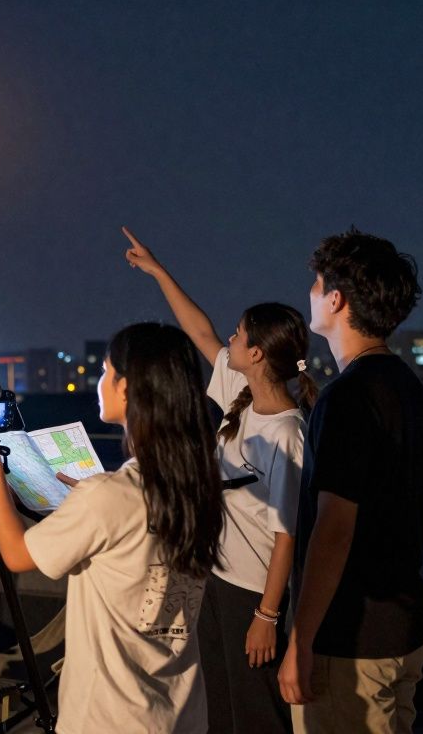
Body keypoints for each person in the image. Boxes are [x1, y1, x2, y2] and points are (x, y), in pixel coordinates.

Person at [0, 323, 224, 733]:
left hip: (108, 715)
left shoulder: (108, 496)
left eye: (105, 371)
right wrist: (89, 498)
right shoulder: (194, 486)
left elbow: (17, 555)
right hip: (178, 712)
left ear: (127, 388)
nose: (99, 382)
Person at [124, 227, 315, 733]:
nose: (229, 339)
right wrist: (160, 272)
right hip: (214, 578)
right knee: (218, 711)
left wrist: (268, 616)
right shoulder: (242, 395)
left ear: (257, 353)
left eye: (239, 334)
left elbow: (286, 535)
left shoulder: (288, 433)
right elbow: (200, 331)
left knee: (256, 715)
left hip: (251, 595)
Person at [278, 228, 423, 734]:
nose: (311, 296)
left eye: (317, 286)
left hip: (350, 640)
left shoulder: (345, 397)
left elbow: (335, 529)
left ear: (337, 299)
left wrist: (301, 641)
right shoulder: (408, 386)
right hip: (402, 628)